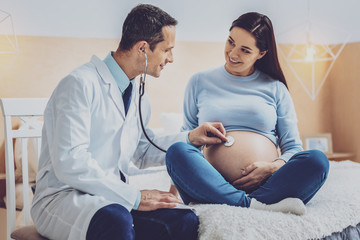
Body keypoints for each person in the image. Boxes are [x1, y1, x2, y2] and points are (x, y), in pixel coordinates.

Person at [31, 4, 228, 240]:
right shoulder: (79, 84)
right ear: (143, 48)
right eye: (167, 50)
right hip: (63, 198)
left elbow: (142, 151)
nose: (171, 58)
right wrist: (135, 196)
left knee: (184, 219)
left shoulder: (137, 95)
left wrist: (190, 137)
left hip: (110, 198)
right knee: (115, 219)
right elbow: (70, 162)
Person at [165, 12, 329, 215]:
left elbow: (293, 148)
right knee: (177, 151)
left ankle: (241, 202)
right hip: (211, 183)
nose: (233, 53)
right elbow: (187, 138)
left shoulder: (276, 88)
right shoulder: (199, 82)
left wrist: (272, 167)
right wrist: (174, 190)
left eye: (244, 50)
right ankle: (253, 205)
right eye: (230, 42)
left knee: (317, 160)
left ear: (261, 53)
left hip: (268, 184)